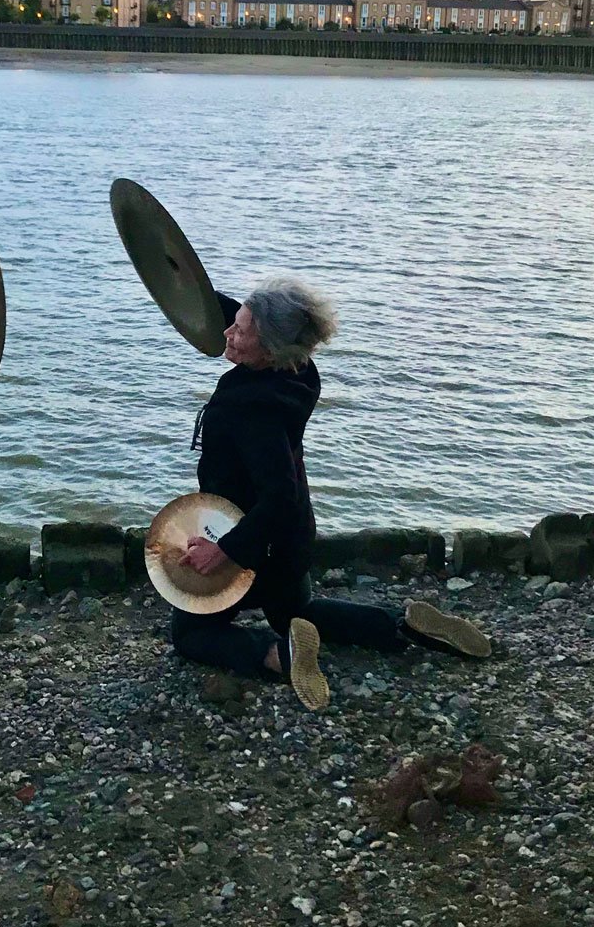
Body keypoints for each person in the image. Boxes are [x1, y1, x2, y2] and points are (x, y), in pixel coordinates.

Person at [172, 279, 490, 711]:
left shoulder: (250, 411)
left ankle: (279, 655)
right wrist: (174, 272)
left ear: (267, 347)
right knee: (299, 612)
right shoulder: (299, 369)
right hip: (291, 541)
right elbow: (236, 316)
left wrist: (223, 551)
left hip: (254, 540)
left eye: (240, 331)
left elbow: (278, 497)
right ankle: (402, 626)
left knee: (189, 634)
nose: (228, 332)